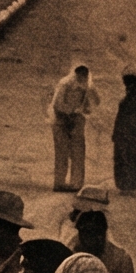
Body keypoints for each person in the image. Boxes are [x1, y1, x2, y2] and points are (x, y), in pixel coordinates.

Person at [67, 186, 135, 273]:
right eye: (86, 231)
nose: (92, 237)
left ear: (104, 229)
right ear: (79, 229)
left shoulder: (121, 260)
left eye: (96, 230)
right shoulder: (68, 255)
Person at [49, 63, 97, 192]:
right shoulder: (65, 84)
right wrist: (70, 112)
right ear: (76, 76)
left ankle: (76, 184)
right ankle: (59, 183)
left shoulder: (86, 87)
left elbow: (89, 106)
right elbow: (57, 105)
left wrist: (84, 110)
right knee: (62, 152)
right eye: (82, 77)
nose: (84, 80)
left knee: (78, 153)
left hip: (76, 123)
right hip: (61, 122)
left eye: (85, 77)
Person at [110, 72, 136, 193]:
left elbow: (126, 117)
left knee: (125, 159)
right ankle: (131, 185)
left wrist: (119, 133)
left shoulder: (133, 96)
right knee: (132, 159)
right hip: (133, 134)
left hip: (127, 134)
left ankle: (126, 186)